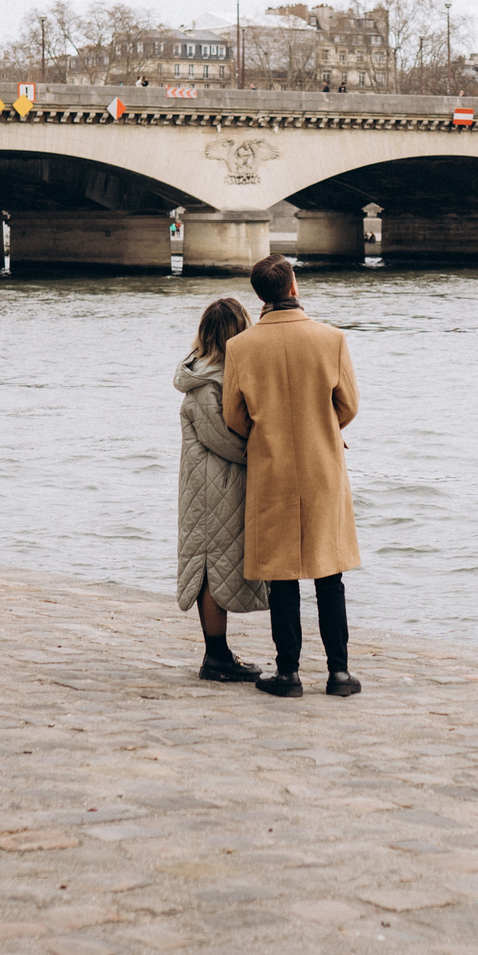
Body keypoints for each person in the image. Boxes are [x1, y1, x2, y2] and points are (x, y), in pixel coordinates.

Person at [224, 255, 363, 700]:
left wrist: (268, 434)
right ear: (294, 286)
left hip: (272, 469)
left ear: (260, 295)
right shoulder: (331, 338)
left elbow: (234, 416)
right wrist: (321, 427)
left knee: (282, 577)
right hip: (322, 466)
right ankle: (339, 674)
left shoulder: (240, 347)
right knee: (330, 574)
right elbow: (349, 406)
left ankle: (288, 674)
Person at [174, 297, 263, 684]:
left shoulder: (211, 375)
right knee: (210, 567)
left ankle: (220, 653)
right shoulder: (207, 384)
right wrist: (269, 450)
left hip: (212, 484)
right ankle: (216, 656)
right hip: (213, 488)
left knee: (215, 564)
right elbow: (226, 442)